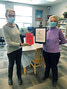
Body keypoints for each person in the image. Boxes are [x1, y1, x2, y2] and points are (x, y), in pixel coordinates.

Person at [3, 8, 29, 85]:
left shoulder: (16, 25)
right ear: (6, 16)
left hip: (19, 49)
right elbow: (8, 42)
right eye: (10, 15)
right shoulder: (4, 27)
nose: (12, 17)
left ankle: (19, 77)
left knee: (18, 64)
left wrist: (27, 36)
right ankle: (10, 78)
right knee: (11, 65)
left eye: (13, 16)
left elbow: (18, 36)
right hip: (11, 50)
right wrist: (20, 44)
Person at [42, 15, 66, 87]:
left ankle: (55, 79)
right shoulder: (46, 30)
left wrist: (57, 44)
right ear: (49, 22)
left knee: (54, 66)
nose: (52, 22)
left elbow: (63, 40)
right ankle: (46, 75)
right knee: (47, 65)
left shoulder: (58, 31)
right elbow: (43, 40)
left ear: (57, 22)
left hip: (54, 53)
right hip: (45, 51)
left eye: (54, 21)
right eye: (51, 21)